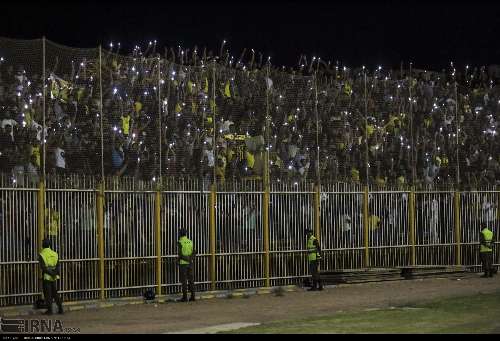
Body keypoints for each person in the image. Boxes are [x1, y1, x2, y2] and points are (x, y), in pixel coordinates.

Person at [38, 238, 63, 315]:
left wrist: (50, 273)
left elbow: (43, 267)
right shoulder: (55, 253)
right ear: (49, 245)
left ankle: (49, 310)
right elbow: (58, 265)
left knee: (47, 294)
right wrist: (54, 273)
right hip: (54, 277)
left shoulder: (41, 254)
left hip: (46, 276)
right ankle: (60, 309)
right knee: (55, 293)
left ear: (43, 245)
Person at [178, 228, 196, 302]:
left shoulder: (179, 242)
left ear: (180, 234)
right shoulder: (190, 241)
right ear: (186, 233)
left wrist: (182, 260)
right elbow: (194, 251)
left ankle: (185, 297)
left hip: (183, 264)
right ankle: (193, 296)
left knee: (184, 281)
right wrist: (190, 259)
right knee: (191, 280)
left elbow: (180, 254)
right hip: (190, 263)